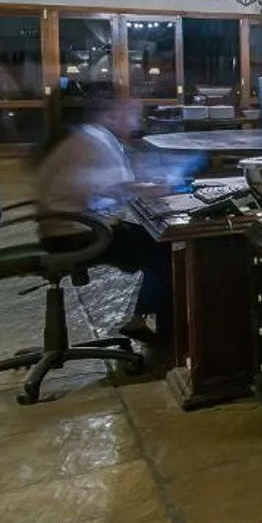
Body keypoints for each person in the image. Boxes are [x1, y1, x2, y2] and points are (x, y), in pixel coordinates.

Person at [33, 92, 171, 343]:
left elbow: (103, 186)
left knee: (156, 240)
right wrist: (150, 188)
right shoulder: (93, 142)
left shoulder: (89, 136)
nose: (138, 123)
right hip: (76, 232)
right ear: (111, 116)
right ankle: (166, 331)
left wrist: (139, 184)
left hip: (69, 225)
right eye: (133, 115)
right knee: (168, 249)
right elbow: (115, 188)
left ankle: (140, 319)